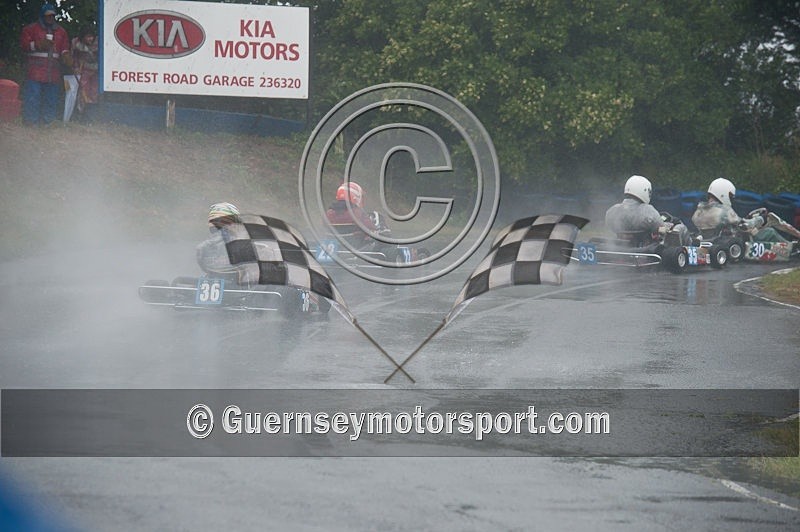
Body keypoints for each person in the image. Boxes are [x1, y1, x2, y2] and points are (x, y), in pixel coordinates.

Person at [692, 178, 795, 243]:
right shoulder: (724, 211)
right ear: (723, 193)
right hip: (732, 241)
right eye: (730, 196)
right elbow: (744, 225)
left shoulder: (699, 210)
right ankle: (790, 247)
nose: (731, 199)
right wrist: (761, 219)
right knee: (769, 232)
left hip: (710, 241)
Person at [20, 3, 71, 125]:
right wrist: (37, 45)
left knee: (51, 98)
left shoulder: (61, 32)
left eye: (52, 15)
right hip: (35, 71)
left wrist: (66, 56)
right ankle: (31, 122)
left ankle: (48, 122)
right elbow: (24, 46)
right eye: (48, 15)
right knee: (33, 96)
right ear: (42, 16)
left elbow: (64, 48)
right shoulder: (30, 29)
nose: (50, 18)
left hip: (53, 72)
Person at [605, 175, 690, 245]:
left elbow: (611, 227)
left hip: (622, 246)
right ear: (644, 191)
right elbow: (662, 229)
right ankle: (691, 251)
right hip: (646, 249)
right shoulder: (647, 210)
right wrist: (669, 226)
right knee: (680, 228)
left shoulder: (612, 211)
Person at [71, 25, 98, 116]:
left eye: (91, 36)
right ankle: (82, 113)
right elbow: (74, 58)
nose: (90, 39)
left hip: (96, 71)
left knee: (94, 91)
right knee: (83, 92)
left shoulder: (99, 42)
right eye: (88, 36)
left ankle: (93, 113)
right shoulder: (76, 43)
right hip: (83, 71)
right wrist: (76, 68)